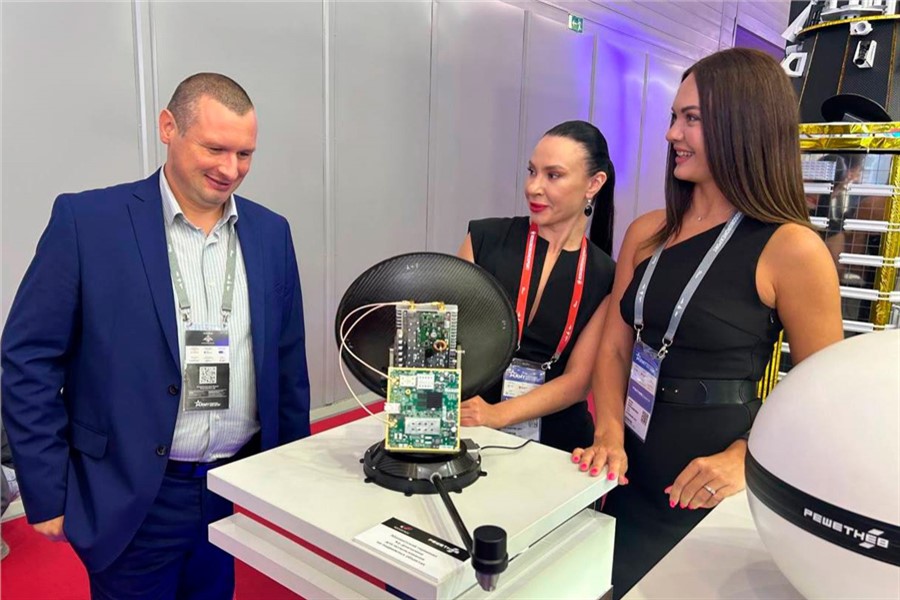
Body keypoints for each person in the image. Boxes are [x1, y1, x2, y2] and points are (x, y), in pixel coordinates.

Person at [1, 73, 311, 599]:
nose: (230, 169)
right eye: (215, 149)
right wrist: (47, 489)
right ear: (169, 127)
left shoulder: (270, 232)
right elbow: (29, 359)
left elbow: (287, 362)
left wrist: (290, 474)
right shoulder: (88, 222)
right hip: (132, 493)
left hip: (231, 487)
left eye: (245, 154)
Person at [571, 48, 843, 598]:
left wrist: (745, 460)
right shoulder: (647, 232)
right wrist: (608, 431)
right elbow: (616, 349)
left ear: (744, 125)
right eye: (675, 116)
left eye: (691, 118)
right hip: (625, 466)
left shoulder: (791, 249)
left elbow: (825, 396)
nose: (672, 133)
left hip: (708, 483)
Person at [457, 120, 617, 453]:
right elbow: (449, 340)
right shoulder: (485, 240)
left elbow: (578, 381)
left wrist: (497, 415)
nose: (533, 187)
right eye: (532, 171)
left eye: (553, 175)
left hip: (557, 443)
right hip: (472, 426)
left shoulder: (605, 274)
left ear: (594, 183)